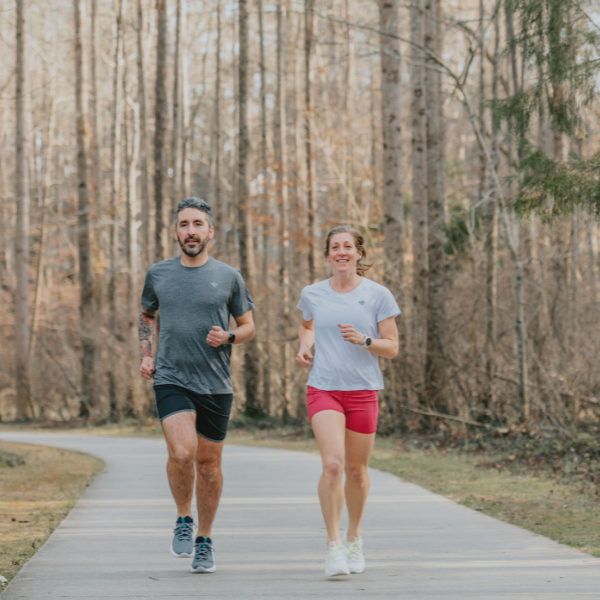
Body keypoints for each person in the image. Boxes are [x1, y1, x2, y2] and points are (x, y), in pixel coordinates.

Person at [139, 197, 255, 574]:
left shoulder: (229, 276)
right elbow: (147, 314)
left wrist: (230, 338)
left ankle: (204, 539)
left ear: (210, 233)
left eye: (197, 224)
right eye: (184, 224)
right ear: (176, 231)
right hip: (171, 376)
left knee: (208, 466)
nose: (191, 231)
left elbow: (249, 326)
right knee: (182, 453)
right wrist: (145, 353)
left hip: (216, 383)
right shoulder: (158, 273)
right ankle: (183, 517)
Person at [295, 226, 400, 577]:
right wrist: (304, 346)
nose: (341, 252)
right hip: (323, 387)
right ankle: (333, 545)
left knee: (356, 471)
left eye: (348, 247)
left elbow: (392, 347)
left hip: (363, 390)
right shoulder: (312, 293)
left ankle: (354, 537)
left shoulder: (378, 295)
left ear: (358, 254)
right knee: (334, 465)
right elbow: (307, 325)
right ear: (327, 256)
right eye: (335, 247)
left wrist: (365, 341)